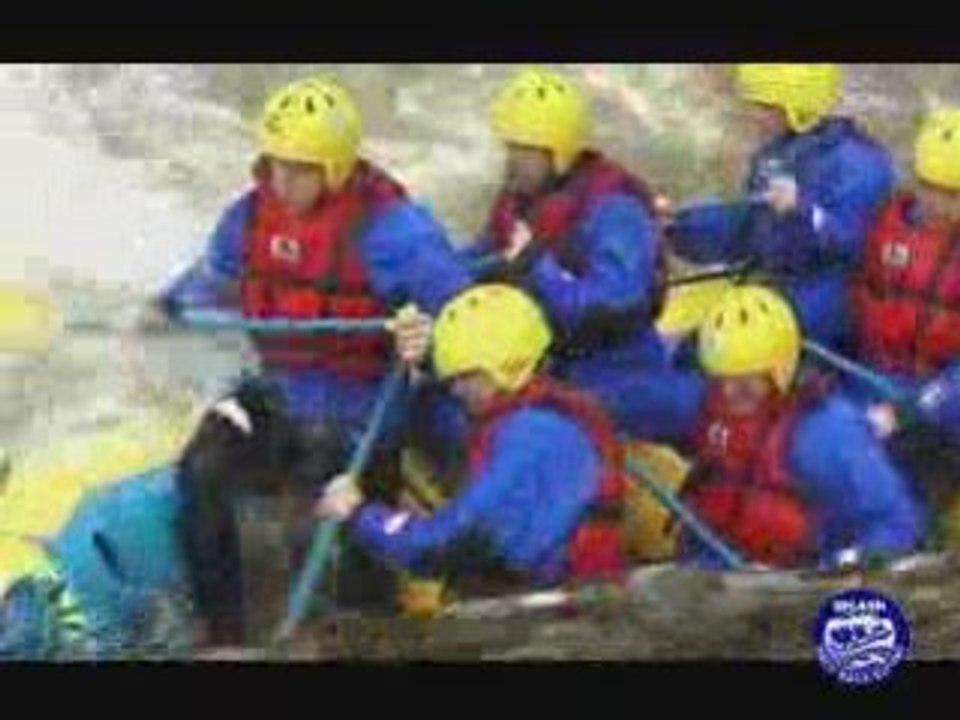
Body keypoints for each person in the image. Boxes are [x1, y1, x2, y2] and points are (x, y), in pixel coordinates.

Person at [150, 76, 471, 646]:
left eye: (300, 168)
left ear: (337, 168)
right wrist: (165, 307)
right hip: (274, 396)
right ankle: (224, 636)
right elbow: (209, 283)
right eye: (275, 163)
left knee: (324, 491)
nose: (283, 180)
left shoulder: (398, 232)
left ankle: (368, 625)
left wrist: (428, 341)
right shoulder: (248, 217)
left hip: (361, 409)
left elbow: (468, 317)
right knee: (199, 471)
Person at [316, 284, 626, 592]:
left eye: (464, 377)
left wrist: (359, 515)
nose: (455, 389)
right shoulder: (524, 408)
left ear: (506, 368)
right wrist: (425, 357)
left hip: (565, 606)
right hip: (545, 584)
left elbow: (446, 545)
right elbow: (446, 412)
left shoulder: (533, 439)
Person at [452, 66, 703, 444]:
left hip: (616, 368)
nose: (512, 160)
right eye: (510, 147)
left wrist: (537, 266)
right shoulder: (522, 195)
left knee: (535, 423)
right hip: (545, 358)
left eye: (525, 150)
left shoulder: (614, 210)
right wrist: (430, 282)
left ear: (559, 152)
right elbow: (482, 258)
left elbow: (613, 305)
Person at [666, 285, 927, 569]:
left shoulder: (827, 434)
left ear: (779, 371)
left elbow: (896, 523)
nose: (728, 393)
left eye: (744, 383)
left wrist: (844, 565)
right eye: (721, 378)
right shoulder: (708, 407)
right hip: (715, 571)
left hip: (797, 583)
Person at [667, 64, 895, 351]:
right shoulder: (775, 153)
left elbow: (851, 247)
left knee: (713, 354)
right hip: (774, 285)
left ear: (799, 109)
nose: (755, 118)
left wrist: (800, 210)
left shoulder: (862, 167)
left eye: (765, 108)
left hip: (824, 304)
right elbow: (748, 228)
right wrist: (677, 226)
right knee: (680, 344)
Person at [847, 108, 960, 536]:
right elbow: (860, 295)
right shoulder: (891, 222)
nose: (935, 202)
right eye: (928, 187)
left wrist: (909, 411)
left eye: (951, 193)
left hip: (941, 402)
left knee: (904, 476)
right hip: (874, 376)